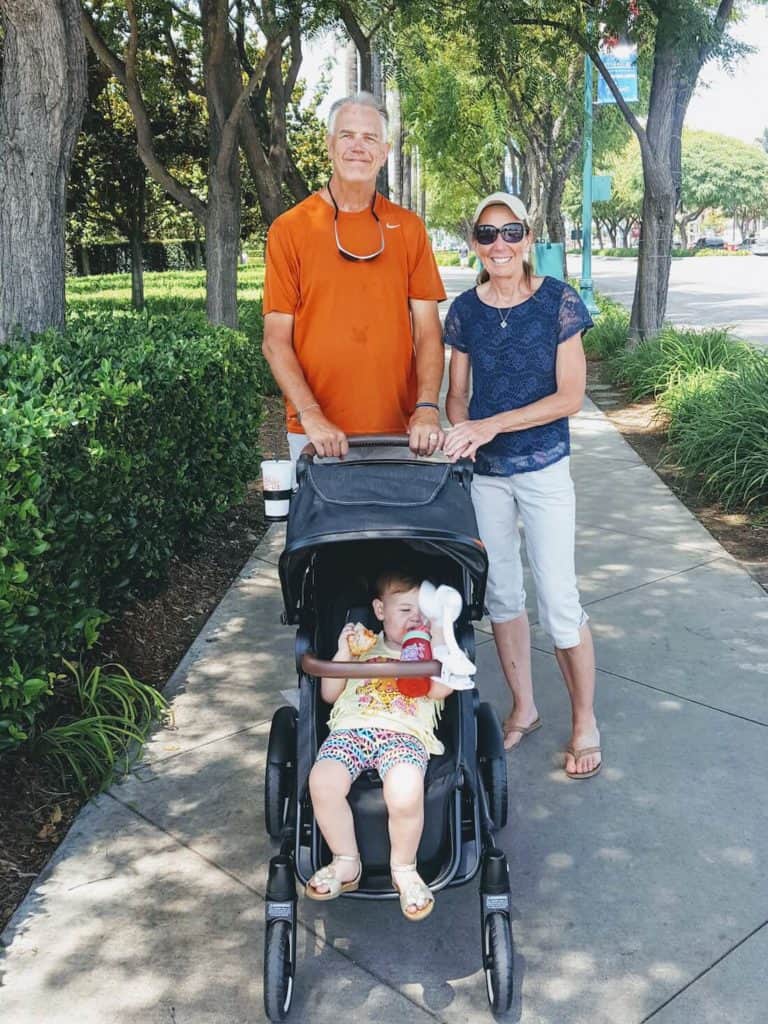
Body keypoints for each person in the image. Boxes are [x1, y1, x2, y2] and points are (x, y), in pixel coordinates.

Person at [442, 192, 601, 780]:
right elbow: (457, 393)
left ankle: (584, 720)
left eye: (511, 233)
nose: (499, 245)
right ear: (475, 244)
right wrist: (462, 431)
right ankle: (525, 708)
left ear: (529, 240)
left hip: (543, 467)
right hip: (486, 476)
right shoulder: (465, 310)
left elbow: (569, 397)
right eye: (487, 234)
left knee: (559, 599)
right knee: (503, 595)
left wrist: (490, 424)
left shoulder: (559, 301)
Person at [261, 92, 446, 461]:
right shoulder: (290, 229)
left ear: (385, 151)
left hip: (400, 433)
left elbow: (428, 331)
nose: (357, 147)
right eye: (347, 136)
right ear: (330, 145)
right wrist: (311, 415)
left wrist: (426, 408)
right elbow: (275, 341)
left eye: (370, 138)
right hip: (317, 434)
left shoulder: (408, 228)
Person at [306, 569, 458, 920]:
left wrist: (439, 644)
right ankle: (346, 861)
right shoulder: (364, 647)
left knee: (405, 791)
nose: (415, 618)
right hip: (351, 730)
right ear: (379, 610)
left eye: (422, 612)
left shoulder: (430, 655)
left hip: (403, 735)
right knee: (322, 782)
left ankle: (404, 868)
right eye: (405, 610)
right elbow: (329, 694)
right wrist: (343, 652)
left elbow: (442, 690)